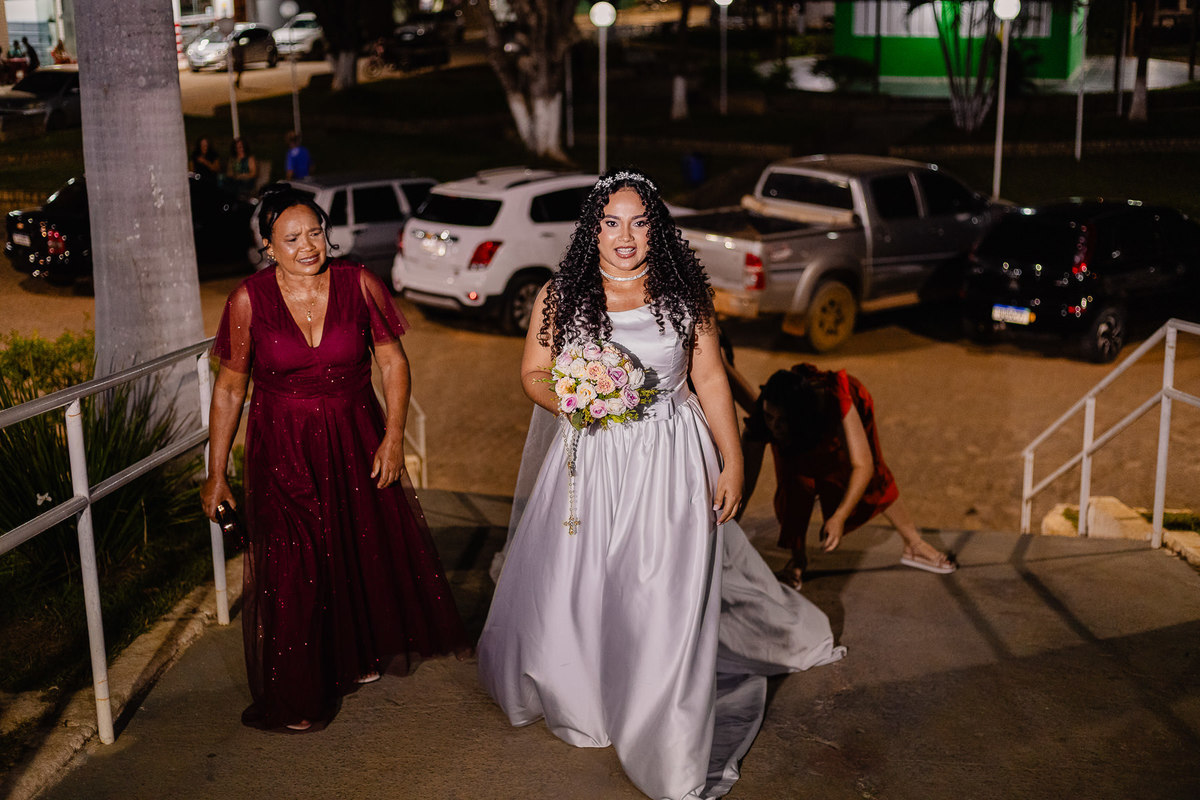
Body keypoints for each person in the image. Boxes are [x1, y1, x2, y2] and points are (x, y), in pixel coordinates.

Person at [477, 169, 844, 800]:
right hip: (591, 457)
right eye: (611, 222)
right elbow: (534, 373)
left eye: (640, 223)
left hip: (672, 458)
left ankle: (664, 730)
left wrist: (732, 461)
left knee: (661, 591)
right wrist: (575, 397)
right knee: (585, 580)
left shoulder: (684, 296)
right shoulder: (560, 296)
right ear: (592, 229)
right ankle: (588, 694)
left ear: (657, 230)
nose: (626, 236)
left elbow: (711, 380)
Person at [201, 185, 469, 732]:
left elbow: (393, 363)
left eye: (315, 233)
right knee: (294, 560)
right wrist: (216, 473)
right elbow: (229, 389)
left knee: (351, 546)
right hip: (283, 449)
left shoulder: (359, 284)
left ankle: (352, 653)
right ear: (268, 246)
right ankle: (298, 698)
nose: (308, 246)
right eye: (291, 238)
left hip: (355, 438)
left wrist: (394, 436)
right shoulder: (248, 300)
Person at [728, 360, 957, 590]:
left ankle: (913, 544)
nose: (774, 426)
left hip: (839, 417)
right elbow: (744, 483)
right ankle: (797, 561)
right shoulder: (764, 420)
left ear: (796, 417)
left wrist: (839, 517)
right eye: (770, 417)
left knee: (872, 477)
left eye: (781, 420)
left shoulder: (835, 400)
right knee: (795, 483)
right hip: (797, 430)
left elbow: (864, 466)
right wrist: (726, 530)